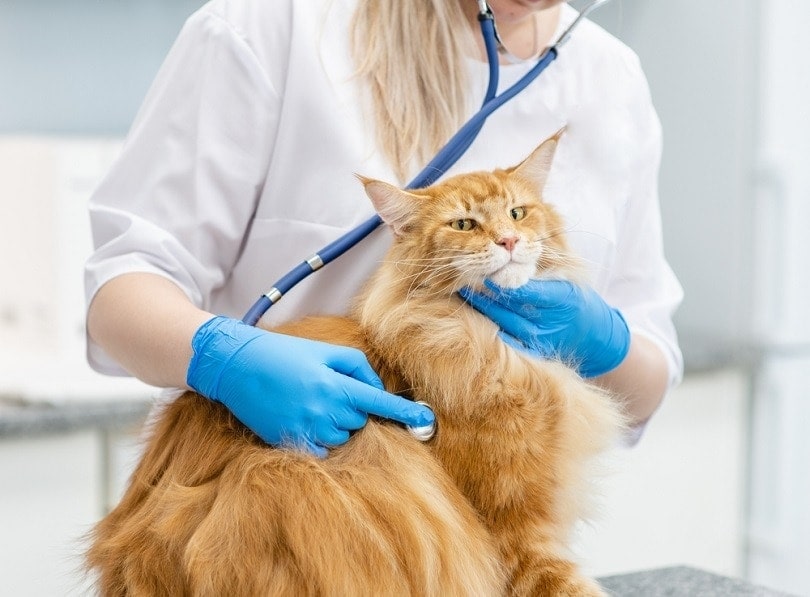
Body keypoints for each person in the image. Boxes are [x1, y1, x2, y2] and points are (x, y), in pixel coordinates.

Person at [85, 0, 683, 455]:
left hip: (500, 521)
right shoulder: (273, 25)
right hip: (289, 489)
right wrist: (226, 358)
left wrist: (606, 342)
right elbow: (123, 292)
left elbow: (643, 390)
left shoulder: (612, 77)